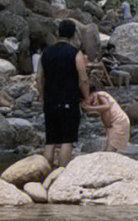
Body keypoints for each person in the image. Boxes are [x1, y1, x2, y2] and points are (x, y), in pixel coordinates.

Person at [36, 19, 91, 168]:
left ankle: (45, 172)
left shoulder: (46, 53)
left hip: (50, 101)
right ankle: (61, 172)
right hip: (69, 100)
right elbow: (83, 79)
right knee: (67, 140)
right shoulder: (75, 53)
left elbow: (39, 77)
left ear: (58, 33)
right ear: (73, 34)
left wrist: (42, 97)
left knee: (51, 140)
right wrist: (86, 97)